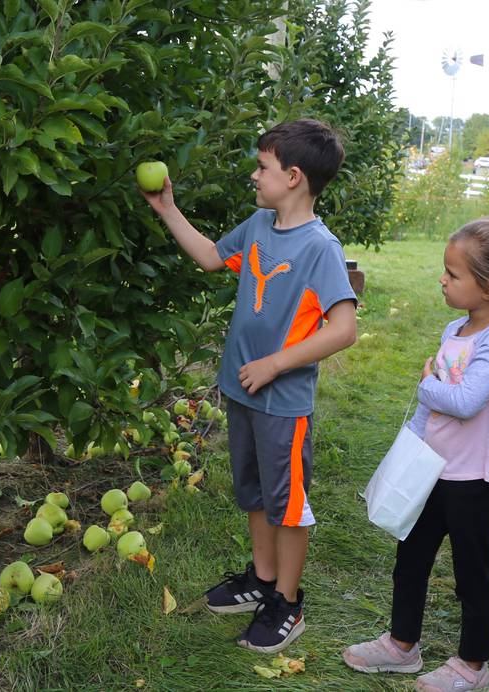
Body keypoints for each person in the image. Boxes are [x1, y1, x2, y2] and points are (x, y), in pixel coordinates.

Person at [141, 119, 358, 653]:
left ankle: (288, 601)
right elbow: (213, 256)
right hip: (242, 392)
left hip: (282, 401)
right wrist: (168, 209)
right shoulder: (260, 225)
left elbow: (344, 328)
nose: (254, 176)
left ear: (293, 176)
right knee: (255, 493)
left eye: (262, 167)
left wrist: (277, 364)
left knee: (288, 502)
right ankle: (262, 580)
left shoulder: (319, 247)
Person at [342, 216, 489, 691]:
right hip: (433, 468)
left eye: (453, 274)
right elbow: (437, 409)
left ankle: (473, 667)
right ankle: (401, 645)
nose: (442, 278)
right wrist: (411, 447)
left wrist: (426, 387)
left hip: (473, 480)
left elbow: (463, 401)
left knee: (470, 575)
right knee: (411, 559)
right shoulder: (455, 327)